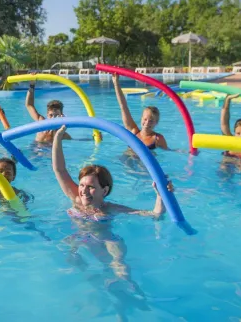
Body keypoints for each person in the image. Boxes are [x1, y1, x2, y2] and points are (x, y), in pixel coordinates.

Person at [52, 125, 174, 309]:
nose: (84, 190)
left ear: (105, 190)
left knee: (118, 262)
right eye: (82, 185)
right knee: (67, 253)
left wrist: (161, 195)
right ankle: (99, 285)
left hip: (106, 239)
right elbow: (60, 170)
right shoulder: (75, 198)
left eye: (91, 186)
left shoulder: (109, 209)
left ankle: (133, 293)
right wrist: (57, 138)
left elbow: (154, 215)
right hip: (80, 237)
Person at [112, 74, 168, 150]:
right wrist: (116, 84)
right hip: (127, 160)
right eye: (145, 119)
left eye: (151, 121)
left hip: (144, 162)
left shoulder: (158, 139)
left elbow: (168, 150)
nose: (147, 123)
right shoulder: (134, 132)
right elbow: (123, 106)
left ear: (156, 122)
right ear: (141, 119)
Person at [25, 77, 71, 143]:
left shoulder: (62, 134)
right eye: (51, 115)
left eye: (56, 115)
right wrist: (32, 85)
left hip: (50, 152)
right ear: (47, 115)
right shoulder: (41, 121)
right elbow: (29, 105)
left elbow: (78, 141)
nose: (53, 118)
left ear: (61, 115)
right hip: (35, 150)